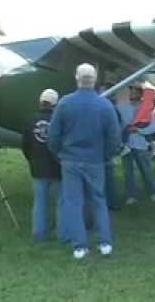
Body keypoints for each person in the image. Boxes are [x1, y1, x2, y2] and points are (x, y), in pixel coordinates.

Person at [48, 64, 121, 259]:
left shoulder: (65, 103)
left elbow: (53, 135)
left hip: (70, 160)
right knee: (98, 200)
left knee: (73, 202)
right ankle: (105, 243)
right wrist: (105, 156)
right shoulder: (105, 105)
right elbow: (114, 136)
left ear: (77, 78)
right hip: (95, 160)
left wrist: (58, 154)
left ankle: (79, 246)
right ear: (94, 80)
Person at [22, 88, 66, 243]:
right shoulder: (60, 120)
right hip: (57, 167)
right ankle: (62, 235)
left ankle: (39, 234)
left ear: (40, 102)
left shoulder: (30, 120)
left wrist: (32, 160)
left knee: (40, 202)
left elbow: (25, 146)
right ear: (56, 103)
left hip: (38, 168)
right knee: (61, 202)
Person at [118, 84, 155, 204]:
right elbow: (120, 125)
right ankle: (131, 195)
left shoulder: (147, 109)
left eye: (134, 92)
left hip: (141, 145)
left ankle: (152, 192)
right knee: (128, 171)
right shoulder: (123, 108)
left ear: (140, 94)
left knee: (146, 170)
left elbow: (152, 127)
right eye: (130, 91)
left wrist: (138, 130)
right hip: (127, 146)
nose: (131, 94)